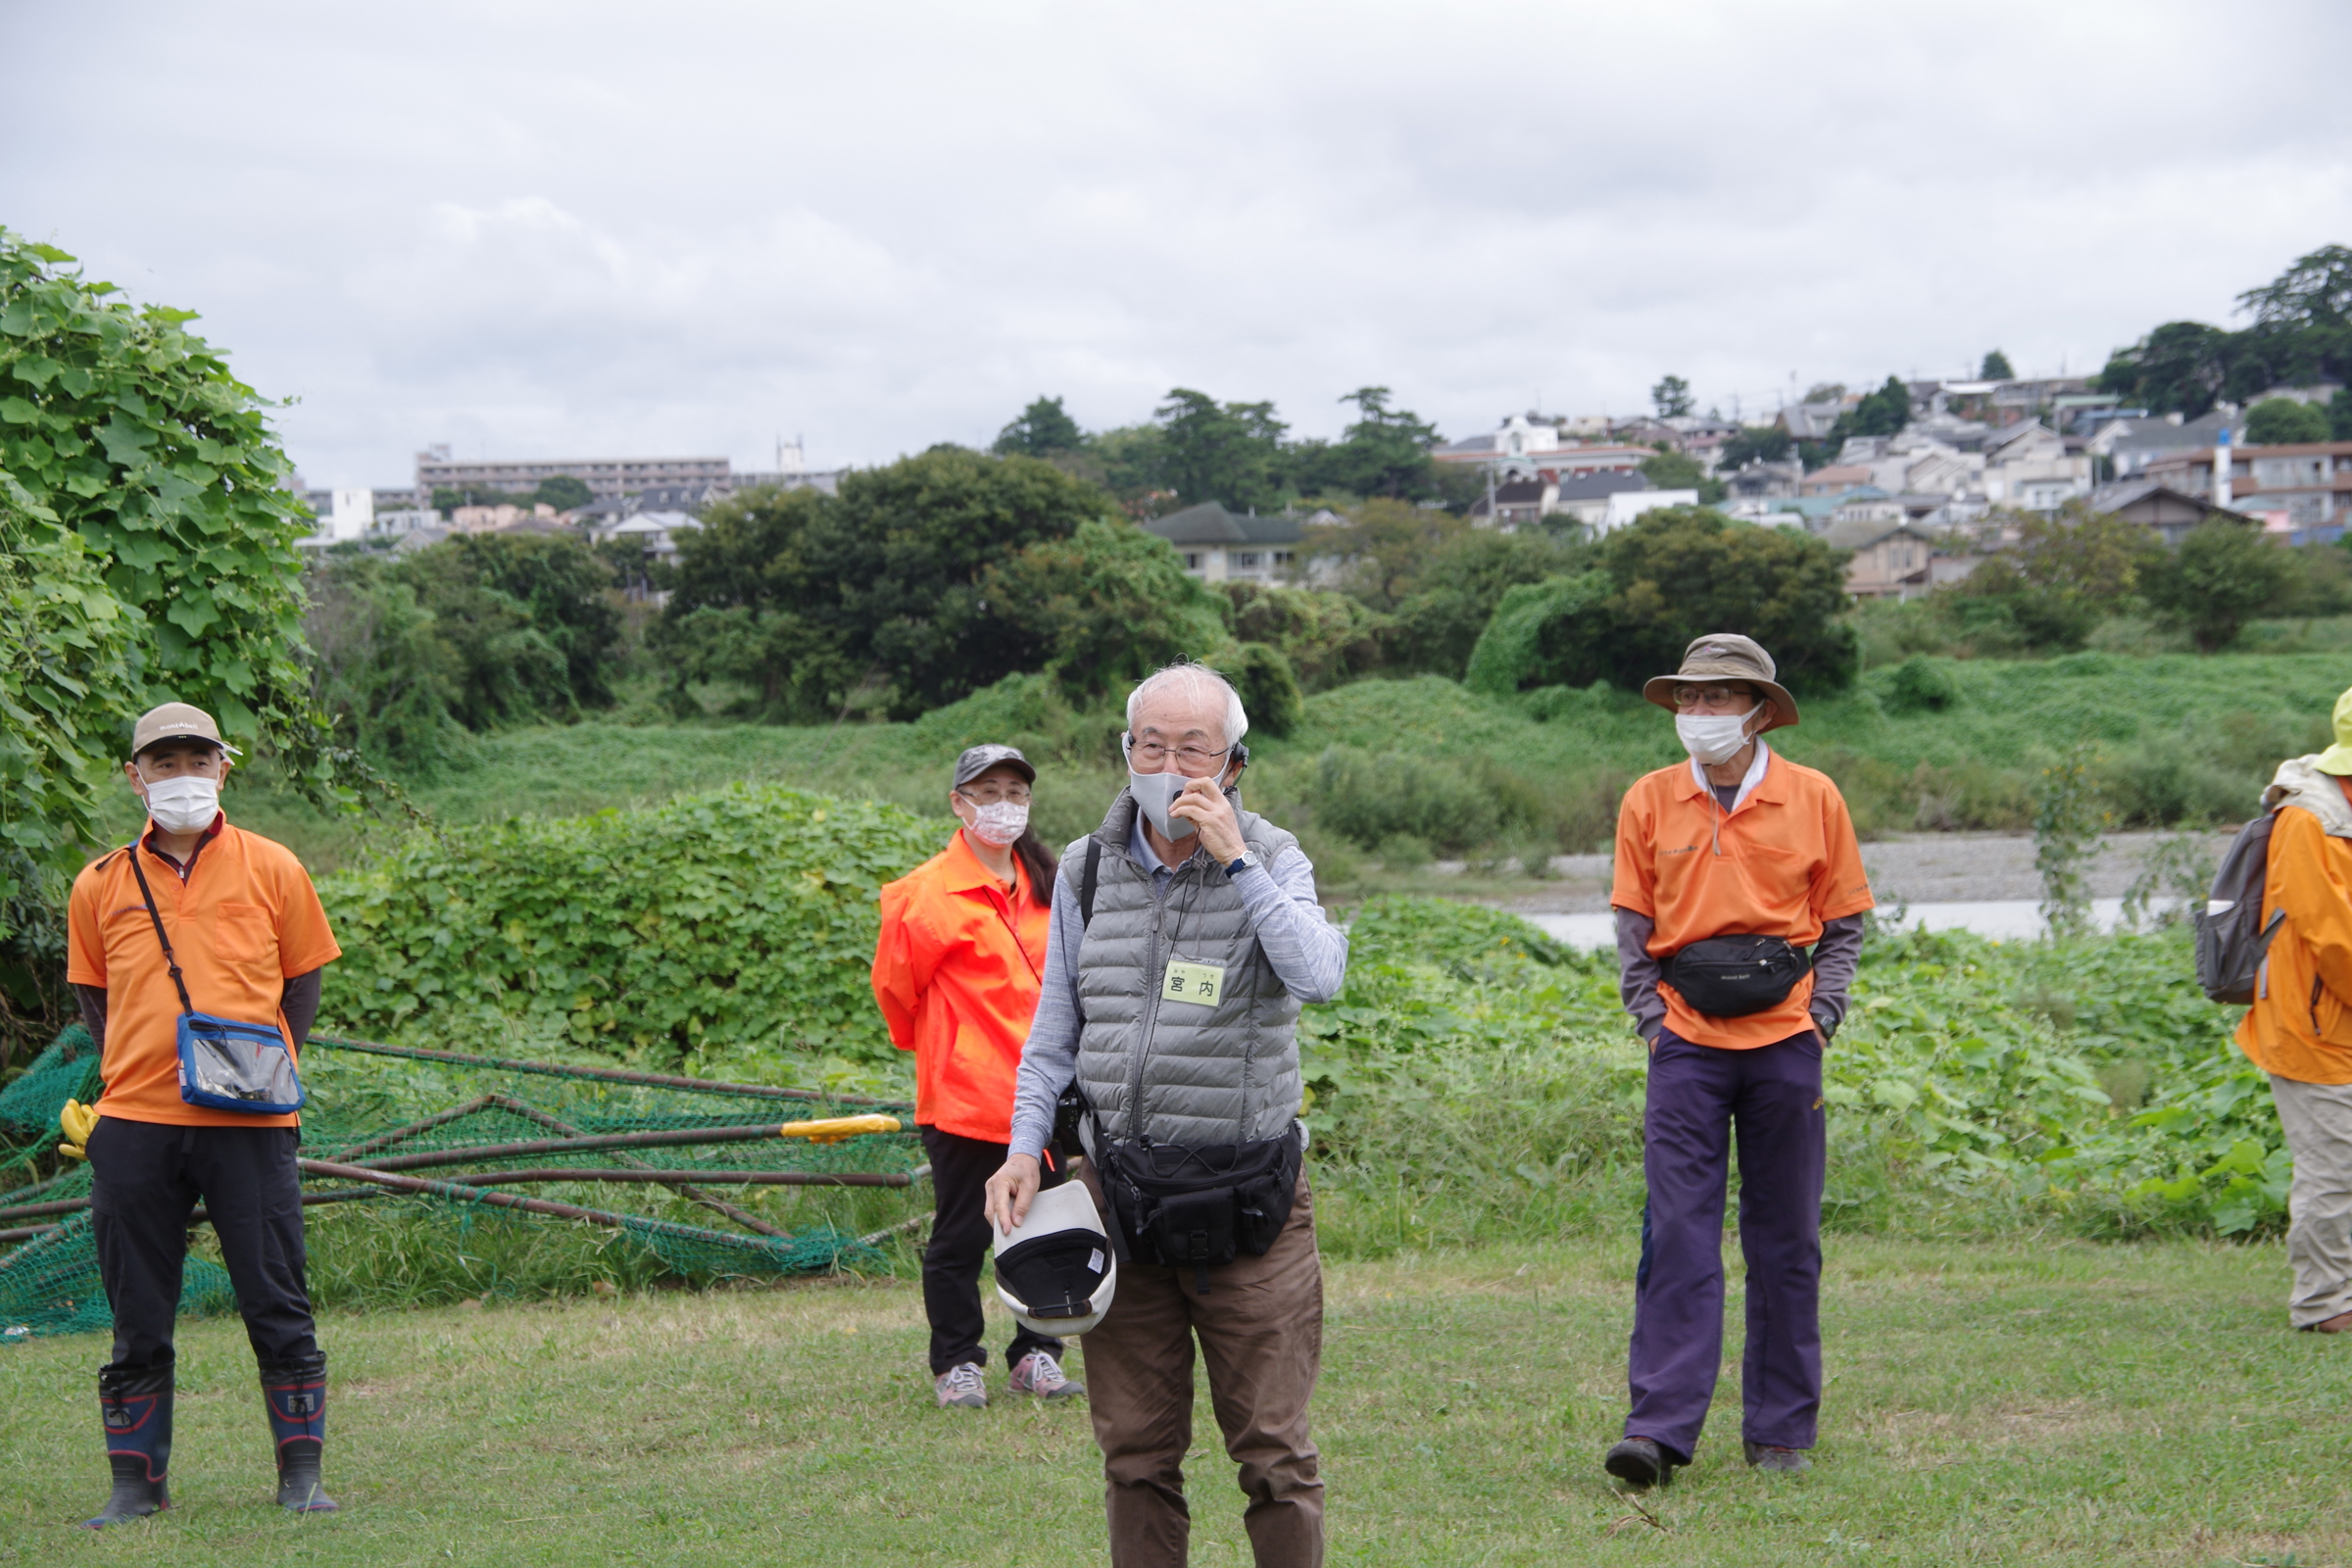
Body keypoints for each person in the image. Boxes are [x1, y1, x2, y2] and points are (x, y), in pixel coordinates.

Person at [985, 662, 1348, 1568]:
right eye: (1153, 743)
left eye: (1196, 746)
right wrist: (1025, 1147)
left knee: (1273, 1455)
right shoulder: (1087, 866)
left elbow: (1321, 975)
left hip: (1251, 1203)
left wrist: (1240, 861)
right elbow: (1054, 1030)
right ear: (1125, 749)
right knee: (1136, 1456)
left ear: (1234, 763)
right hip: (1124, 1200)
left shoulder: (1275, 853)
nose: (1170, 762)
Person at [65, 703, 345, 1527]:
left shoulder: (274, 867)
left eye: (196, 757)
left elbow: (304, 981)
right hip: (134, 1128)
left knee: (277, 1299)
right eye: (162, 761)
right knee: (137, 1311)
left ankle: (302, 1477)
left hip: (253, 1129)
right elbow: (94, 999)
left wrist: (261, 1073)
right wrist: (139, 1073)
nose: (180, 774)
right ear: (135, 776)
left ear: (224, 767)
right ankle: (134, 1489)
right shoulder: (99, 883)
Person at [1602, 635, 1873, 1489]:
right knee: (1677, 1236)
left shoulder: (1814, 797)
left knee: (1786, 1237)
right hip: (1684, 1047)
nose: (1701, 715)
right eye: (1690, 699)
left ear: (1759, 710)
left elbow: (1846, 924)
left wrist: (1822, 1017)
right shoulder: (1648, 800)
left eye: (1720, 699)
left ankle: (1782, 1433)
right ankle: (1658, 1430)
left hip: (1787, 1045)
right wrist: (1652, 1021)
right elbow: (1631, 928)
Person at [872, 743, 1084, 1408]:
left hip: (1044, 1097)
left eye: (1016, 793)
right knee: (961, 1237)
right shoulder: (921, 896)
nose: (1004, 805)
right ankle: (956, 1362)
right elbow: (896, 995)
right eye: (988, 791)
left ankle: (1037, 1355)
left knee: (1045, 1230)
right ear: (959, 803)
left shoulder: (1054, 884)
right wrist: (952, 1050)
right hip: (964, 1099)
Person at [2233, 687, 2352, 1334]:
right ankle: (2323, 1304)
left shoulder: (2342, 813)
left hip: (2338, 1020)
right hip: (2312, 1028)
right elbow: (2331, 935)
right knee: (2334, 1170)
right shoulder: (2308, 821)